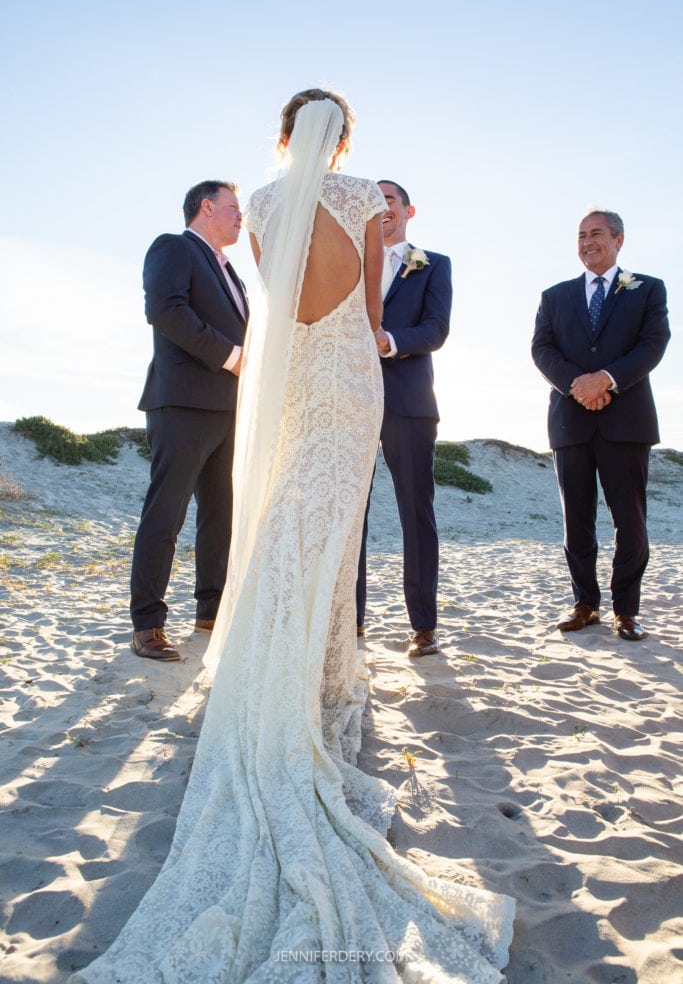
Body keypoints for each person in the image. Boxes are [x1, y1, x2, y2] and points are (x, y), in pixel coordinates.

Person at [70, 90, 513, 982]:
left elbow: (278, 308)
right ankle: (318, 674)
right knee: (332, 528)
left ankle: (280, 668)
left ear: (282, 135)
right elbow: (369, 300)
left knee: (284, 526)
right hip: (351, 374)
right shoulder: (362, 204)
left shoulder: (263, 206)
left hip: (298, 379)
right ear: (345, 140)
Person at [532, 208, 670, 641]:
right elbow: (542, 348)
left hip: (626, 420)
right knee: (577, 521)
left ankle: (626, 611)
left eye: (595, 233)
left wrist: (606, 380)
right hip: (570, 421)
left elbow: (653, 344)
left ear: (618, 239)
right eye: (580, 235)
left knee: (630, 521)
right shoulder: (555, 296)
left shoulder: (647, 289)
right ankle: (585, 604)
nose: (587, 241)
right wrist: (578, 385)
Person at [129, 180, 248, 661]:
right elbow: (165, 310)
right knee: (167, 513)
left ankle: (211, 611)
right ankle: (148, 625)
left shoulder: (231, 271)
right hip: (181, 402)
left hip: (228, 408)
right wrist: (231, 357)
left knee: (220, 516)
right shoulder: (173, 247)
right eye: (234, 208)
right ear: (206, 207)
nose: (241, 217)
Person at [357, 180, 452, 657]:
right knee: (351, 514)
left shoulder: (434, 265)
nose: (381, 208)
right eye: (372, 201)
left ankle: (423, 626)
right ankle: (350, 624)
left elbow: (436, 329)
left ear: (408, 210)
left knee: (416, 513)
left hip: (409, 401)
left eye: (388, 199)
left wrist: (388, 341)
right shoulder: (348, 261)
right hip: (349, 400)